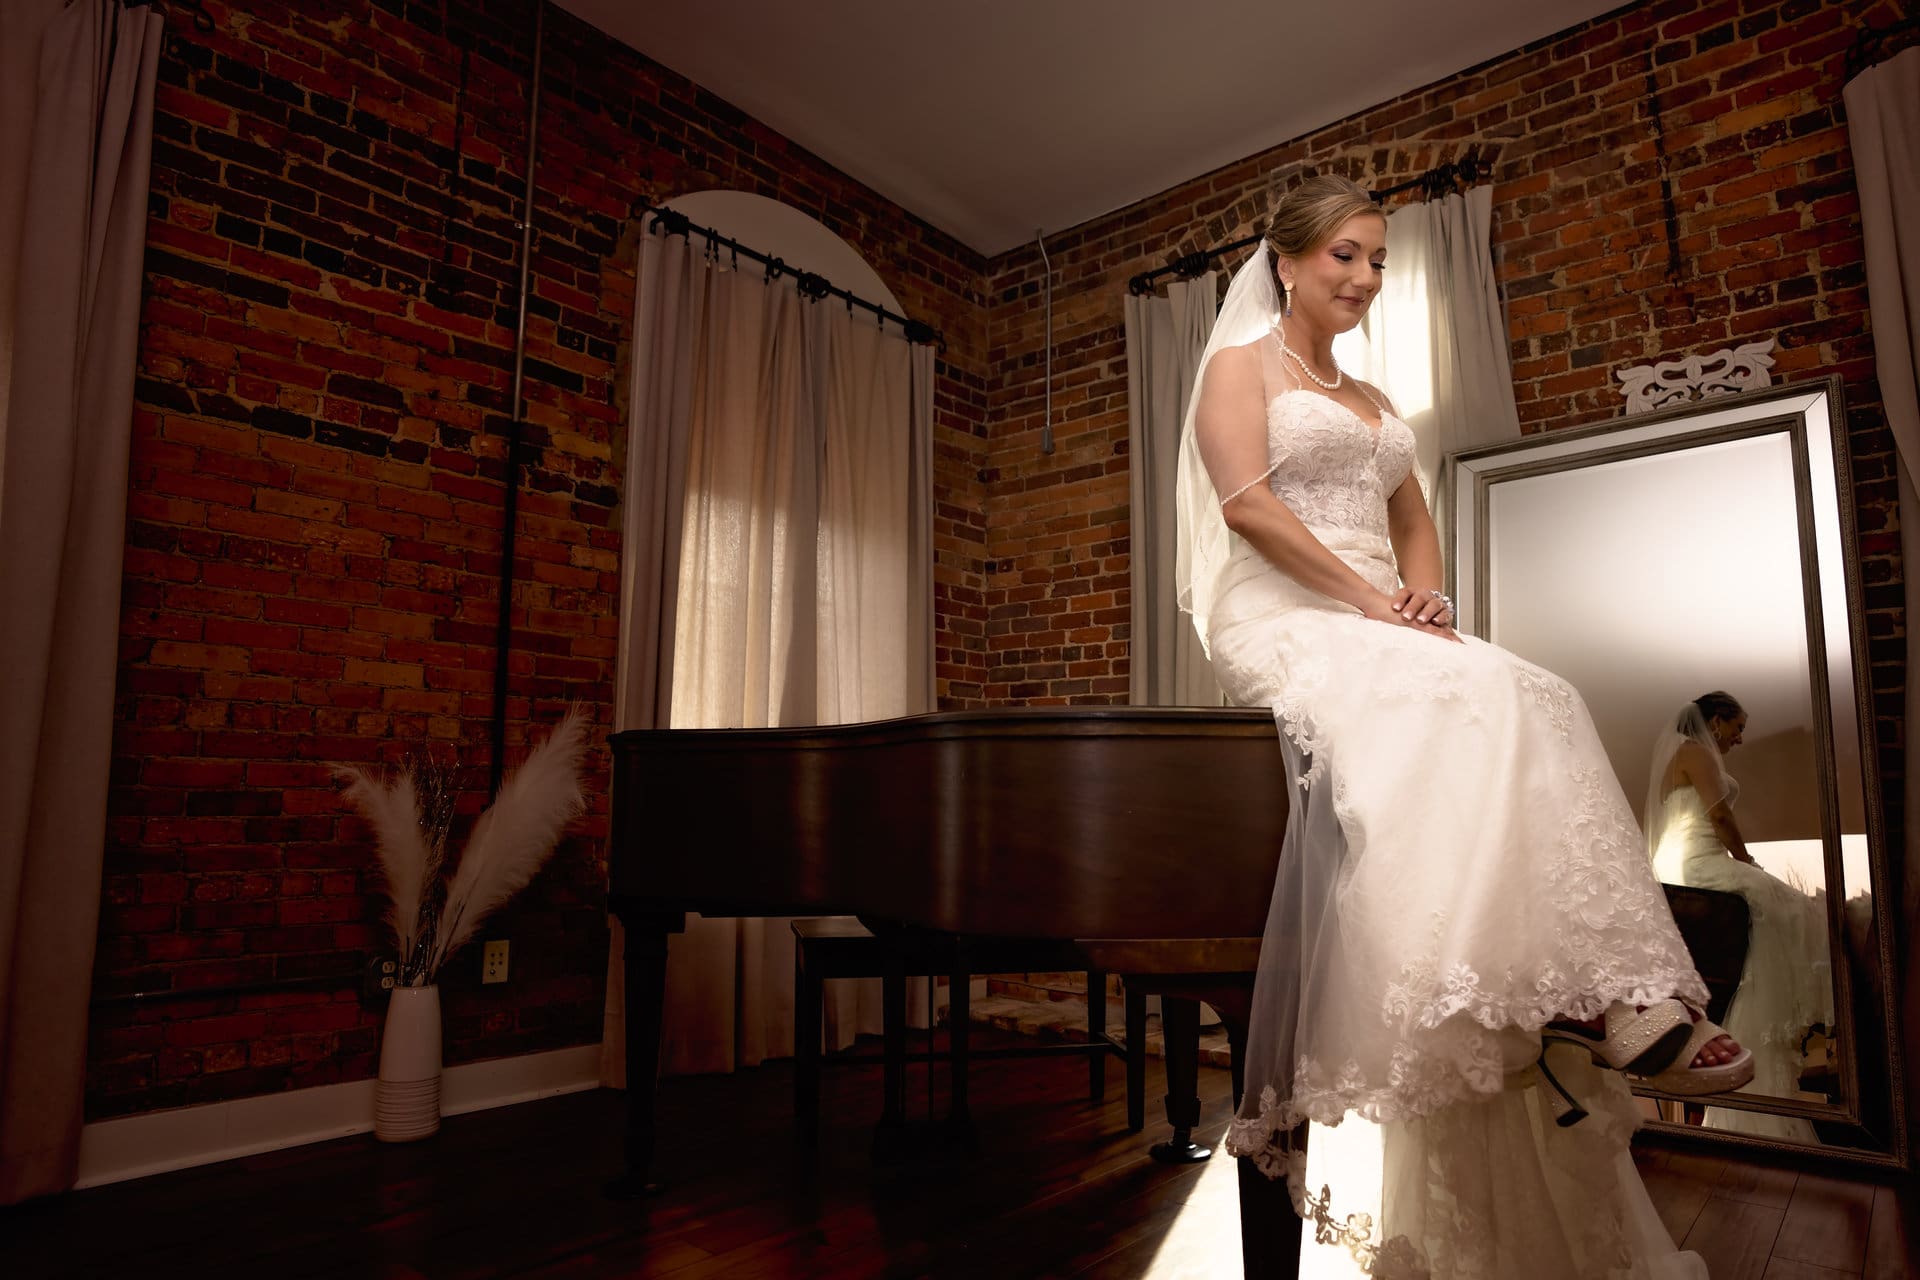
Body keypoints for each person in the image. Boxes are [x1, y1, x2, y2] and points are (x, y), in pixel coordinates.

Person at [1175, 174, 1754, 1278]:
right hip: (1287, 613)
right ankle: (1593, 995)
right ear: (1286, 261)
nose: (1365, 277)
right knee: (1479, 695)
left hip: (1379, 613)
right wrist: (1371, 602)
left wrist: (1427, 601)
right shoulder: (1237, 369)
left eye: (1379, 259)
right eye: (1345, 254)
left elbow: (1413, 519)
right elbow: (1247, 503)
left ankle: (1588, 986)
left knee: (1537, 690)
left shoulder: (1376, 401)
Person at [1647, 692, 1833, 1143]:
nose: (1741, 738)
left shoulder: (1681, 753)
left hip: (1679, 858)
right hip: (1696, 861)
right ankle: (1798, 1022)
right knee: (1794, 907)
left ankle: (1793, 1025)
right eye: (1738, 726)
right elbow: (1721, 815)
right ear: (1715, 721)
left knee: (1789, 910)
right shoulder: (1693, 752)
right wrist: (1746, 860)